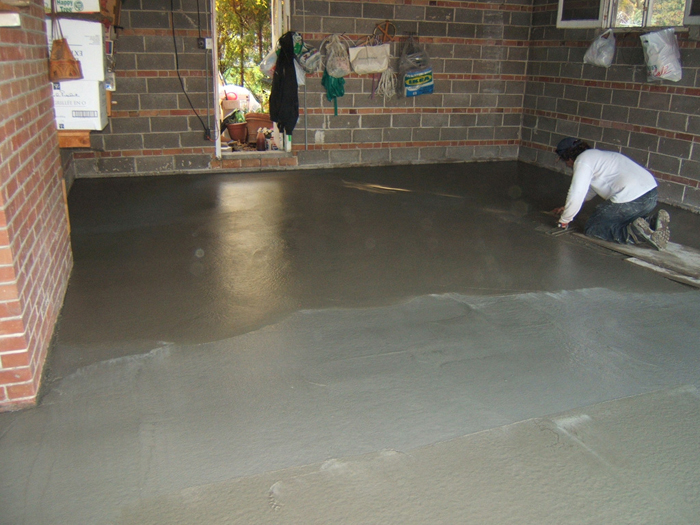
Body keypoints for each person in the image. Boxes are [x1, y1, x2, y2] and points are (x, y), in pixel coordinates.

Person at [552, 137, 671, 250]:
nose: (567, 164)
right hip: (651, 195)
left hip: (632, 199)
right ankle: (652, 222)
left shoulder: (582, 161)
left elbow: (577, 192)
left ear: (568, 157)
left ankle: (635, 234)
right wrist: (567, 208)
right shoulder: (598, 157)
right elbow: (590, 190)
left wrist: (564, 220)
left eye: (564, 161)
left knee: (594, 228)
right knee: (620, 220)